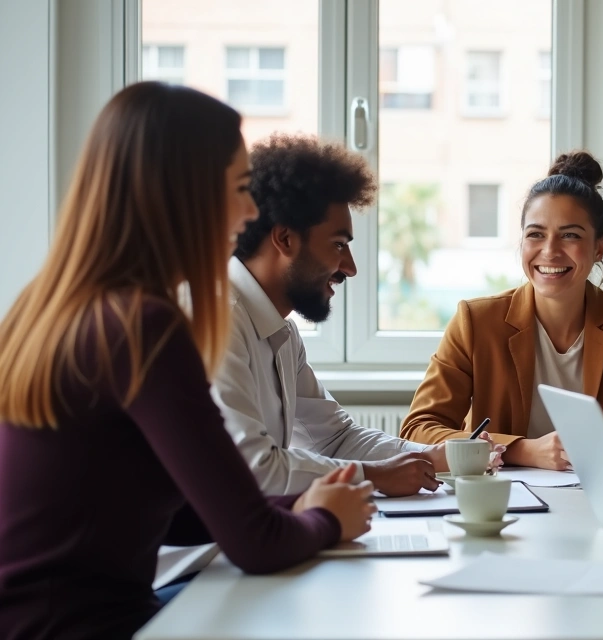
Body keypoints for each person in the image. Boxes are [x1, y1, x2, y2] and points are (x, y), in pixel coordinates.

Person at [0, 82, 374, 639]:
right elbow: (255, 544)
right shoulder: (143, 327)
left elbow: (168, 510)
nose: (250, 211)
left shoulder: (52, 306)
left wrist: (298, 506)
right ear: (185, 194)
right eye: (241, 188)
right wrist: (326, 519)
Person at [215, 134, 490, 498]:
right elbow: (253, 469)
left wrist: (430, 455)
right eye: (338, 245)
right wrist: (374, 476)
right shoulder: (220, 322)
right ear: (284, 239)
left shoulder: (281, 334)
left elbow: (335, 438)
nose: (351, 267)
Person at [400, 152, 603, 470]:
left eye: (570, 235)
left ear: (599, 248)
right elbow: (419, 429)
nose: (550, 251)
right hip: (503, 498)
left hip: (595, 497)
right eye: (535, 234)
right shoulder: (475, 322)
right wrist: (521, 450)